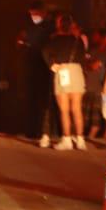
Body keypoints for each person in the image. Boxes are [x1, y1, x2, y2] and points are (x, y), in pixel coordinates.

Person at [43, 14, 87, 150]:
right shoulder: (77, 40)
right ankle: (80, 140)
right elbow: (83, 56)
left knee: (64, 109)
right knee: (77, 108)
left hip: (63, 71)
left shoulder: (54, 40)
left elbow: (45, 52)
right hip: (77, 71)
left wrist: (52, 65)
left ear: (59, 25)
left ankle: (67, 139)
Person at [15, 1, 52, 144]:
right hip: (30, 66)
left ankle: (42, 131)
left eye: (35, 14)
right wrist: (20, 42)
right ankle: (30, 130)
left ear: (43, 13)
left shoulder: (49, 27)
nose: (33, 16)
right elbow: (20, 40)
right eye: (31, 14)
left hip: (44, 67)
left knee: (43, 101)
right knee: (30, 98)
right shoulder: (28, 27)